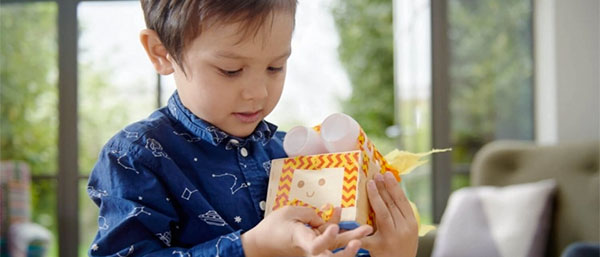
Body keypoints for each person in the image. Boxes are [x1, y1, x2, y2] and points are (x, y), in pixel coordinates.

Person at [86, 0, 418, 256]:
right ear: (162, 53)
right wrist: (251, 247)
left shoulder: (292, 153)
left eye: (276, 67)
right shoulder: (135, 155)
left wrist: (389, 250)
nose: (258, 92)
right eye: (231, 70)